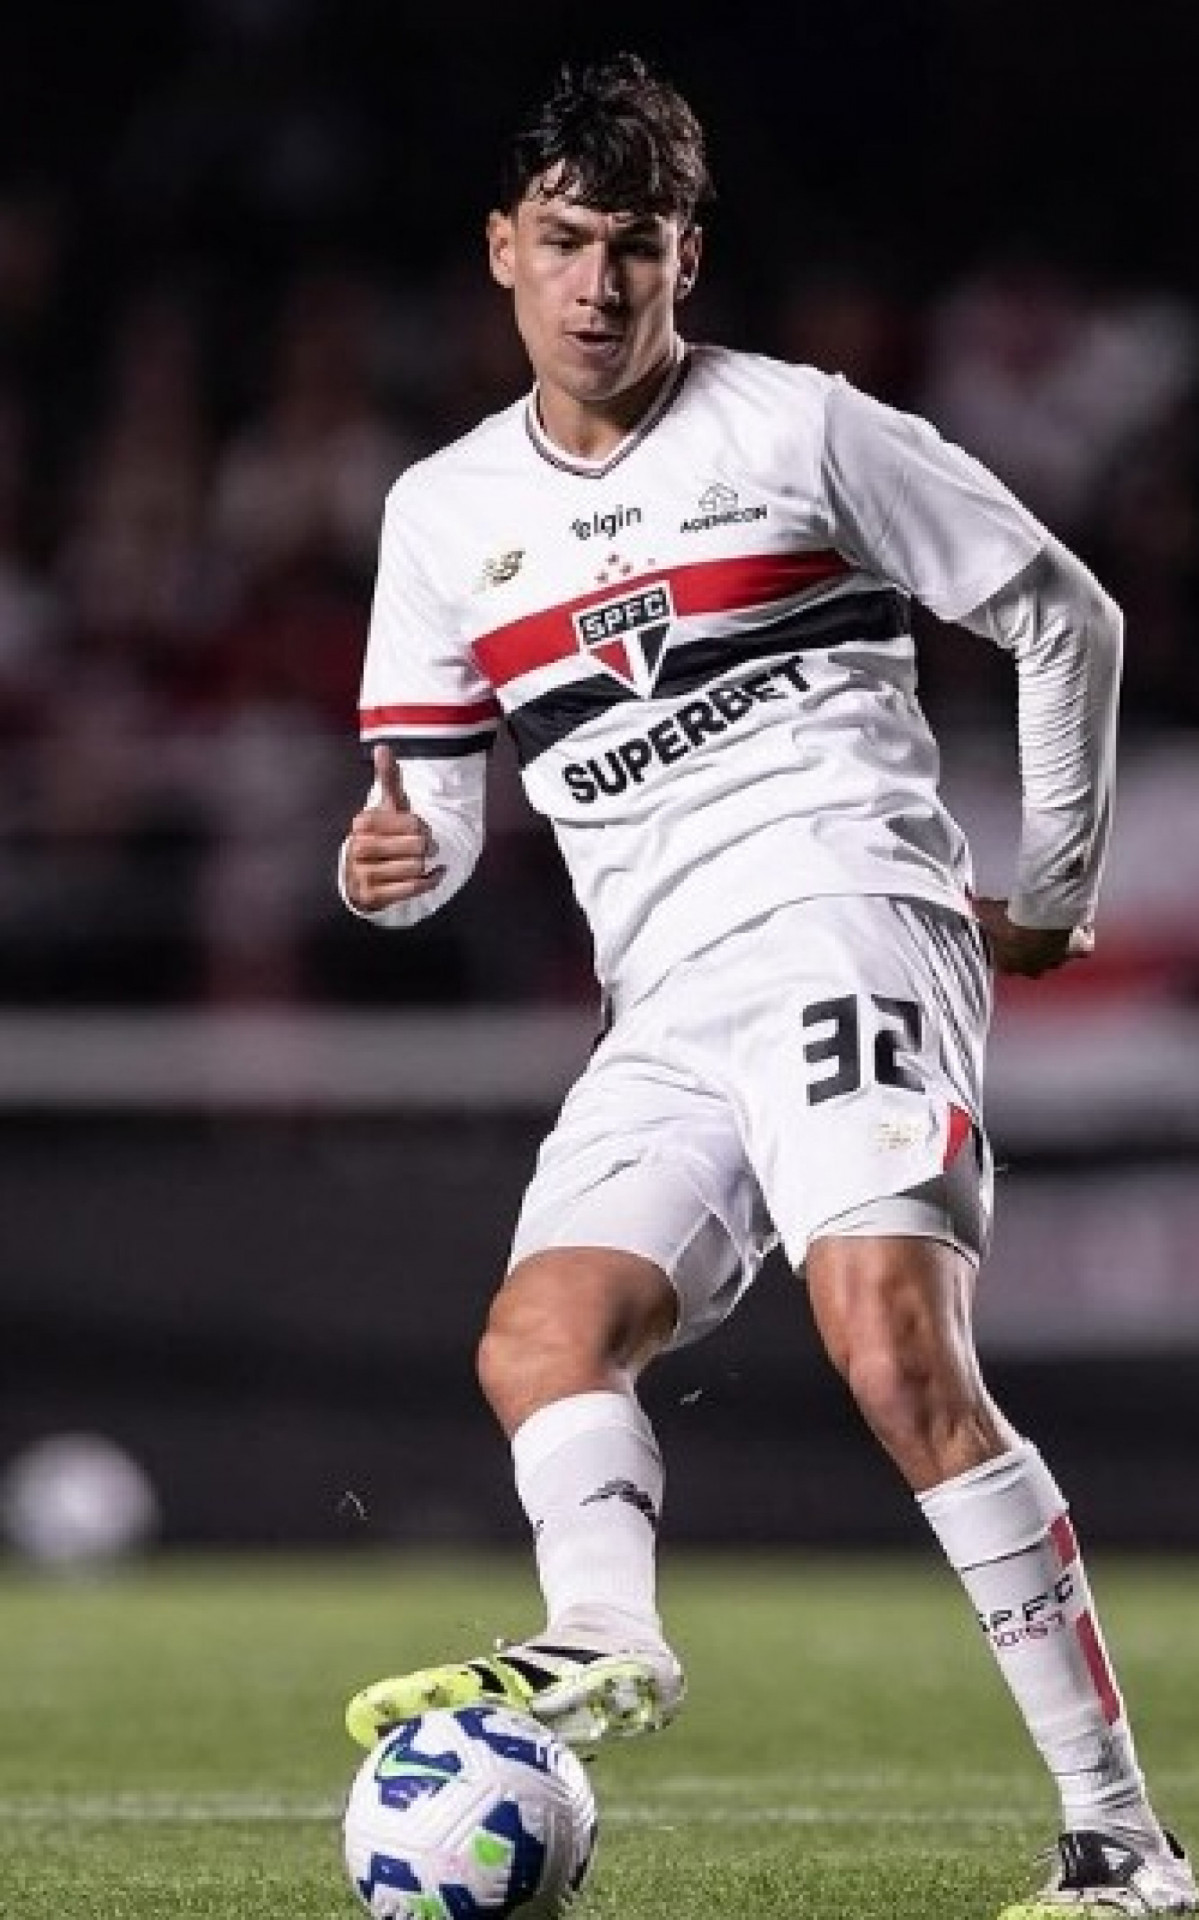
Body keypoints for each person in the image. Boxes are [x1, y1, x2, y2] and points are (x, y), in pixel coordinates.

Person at [337, 50, 1195, 1919]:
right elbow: (445, 828)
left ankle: (1123, 1843)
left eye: (632, 250)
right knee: (540, 1338)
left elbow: (1070, 612)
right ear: (502, 252)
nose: (597, 288)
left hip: (846, 909)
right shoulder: (441, 515)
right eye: (563, 244)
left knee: (892, 1342)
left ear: (684, 262)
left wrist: (1046, 887)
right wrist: (390, 873)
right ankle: (604, 1638)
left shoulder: (801, 431)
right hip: (662, 997)